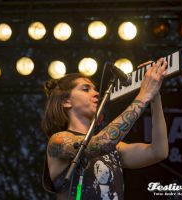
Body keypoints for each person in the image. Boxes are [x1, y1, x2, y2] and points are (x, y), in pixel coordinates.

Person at [42, 58, 169, 200]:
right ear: (66, 101)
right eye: (86, 89)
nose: (96, 93)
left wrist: (154, 95)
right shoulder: (58, 140)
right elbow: (99, 144)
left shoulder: (115, 149)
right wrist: (144, 94)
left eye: (95, 89)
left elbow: (158, 151)